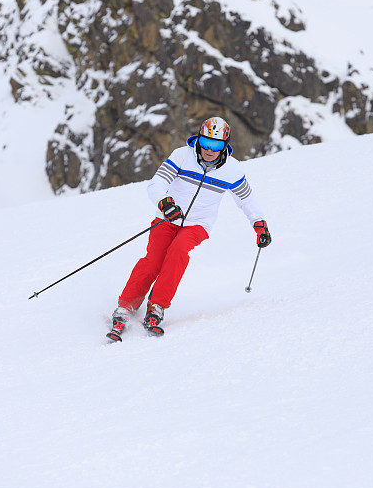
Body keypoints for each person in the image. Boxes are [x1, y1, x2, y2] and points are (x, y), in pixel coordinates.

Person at [107, 116, 271, 341]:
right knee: (153, 261)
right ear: (199, 139)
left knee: (178, 252)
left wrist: (259, 224)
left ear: (225, 146)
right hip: (167, 218)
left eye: (216, 145)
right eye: (206, 143)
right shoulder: (182, 156)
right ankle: (125, 307)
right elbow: (156, 184)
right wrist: (165, 203)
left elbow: (246, 200)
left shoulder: (232, 170)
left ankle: (156, 306)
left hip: (198, 224)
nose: (209, 150)